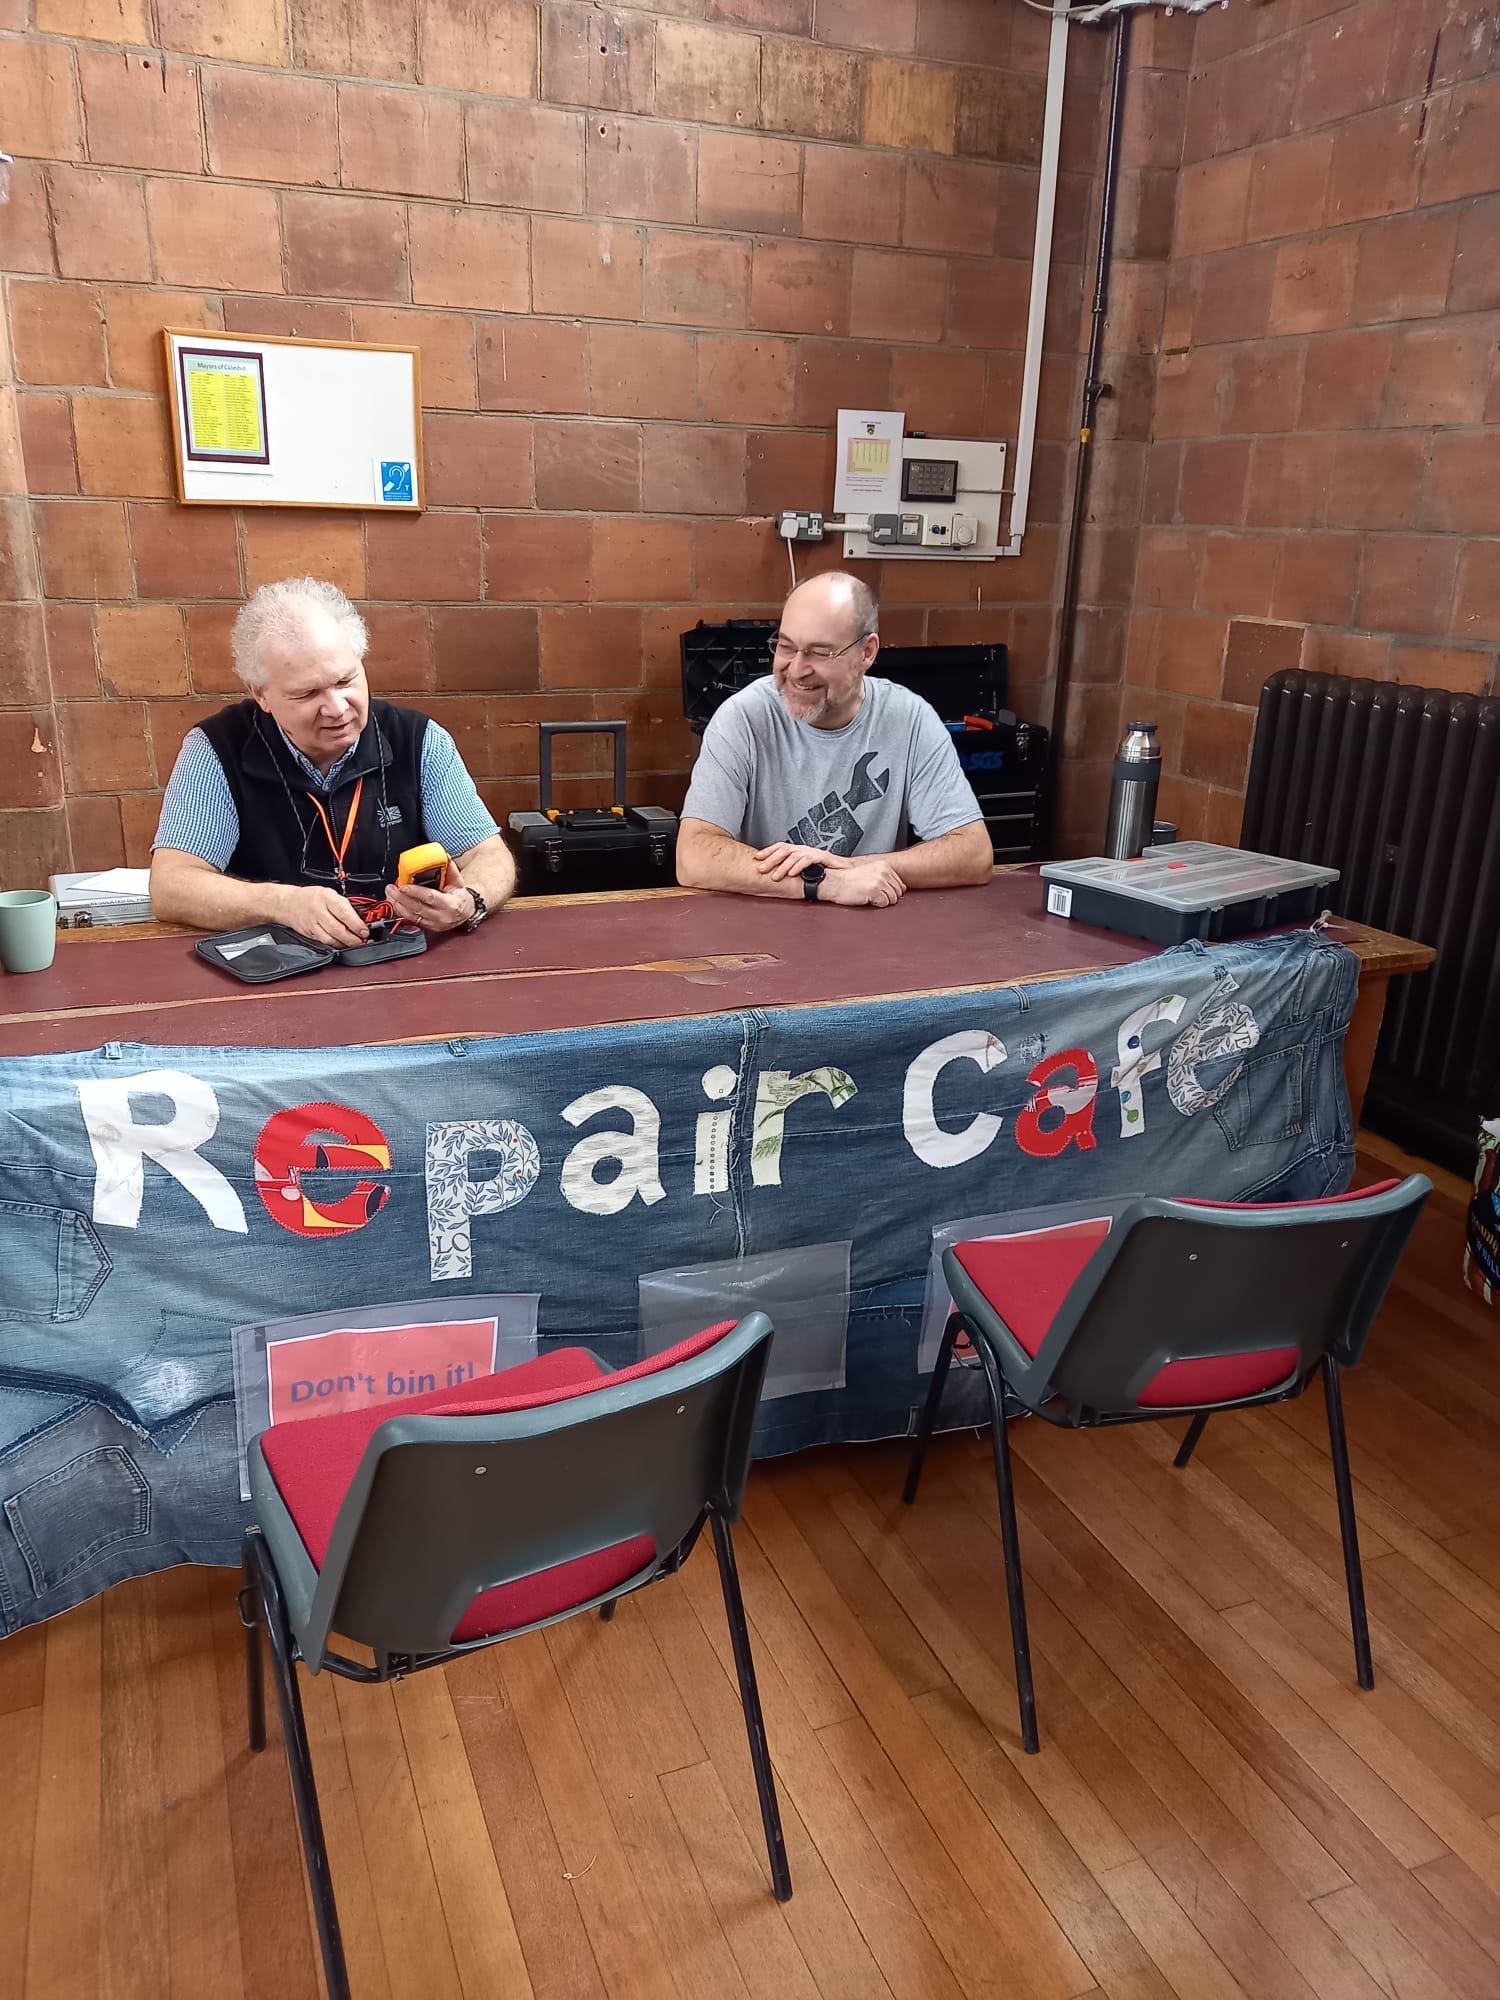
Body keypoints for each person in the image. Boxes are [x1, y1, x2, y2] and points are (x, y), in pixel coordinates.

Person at [150, 577, 515, 945]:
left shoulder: (419, 740)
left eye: (346, 680)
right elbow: (171, 886)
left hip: (406, 961)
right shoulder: (217, 748)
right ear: (260, 693)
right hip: (279, 971)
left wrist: (470, 900)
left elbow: (489, 855)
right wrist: (283, 904)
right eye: (308, 693)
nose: (337, 709)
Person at [676, 571, 994, 906]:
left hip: (873, 926)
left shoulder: (911, 720)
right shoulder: (743, 719)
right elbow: (693, 856)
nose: (797, 669)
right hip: (765, 931)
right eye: (785, 646)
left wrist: (850, 869)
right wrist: (822, 883)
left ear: (867, 653)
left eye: (819, 652)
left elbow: (973, 853)